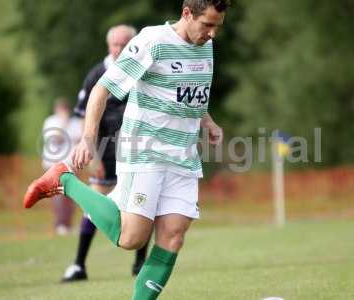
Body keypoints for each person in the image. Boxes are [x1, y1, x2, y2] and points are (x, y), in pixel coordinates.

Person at [24, 1, 229, 299]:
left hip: (183, 156)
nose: (212, 34)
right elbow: (102, 88)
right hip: (145, 150)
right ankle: (64, 180)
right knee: (131, 238)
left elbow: (191, 94)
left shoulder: (205, 46)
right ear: (187, 14)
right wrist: (88, 139)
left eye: (217, 26)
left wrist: (208, 121)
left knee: (173, 237)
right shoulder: (153, 41)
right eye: (207, 25)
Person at [61, 24, 150, 282]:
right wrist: (92, 153)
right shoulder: (97, 74)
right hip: (104, 152)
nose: (121, 49)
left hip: (137, 150)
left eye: (126, 44)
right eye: (116, 44)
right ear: (108, 45)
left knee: (143, 204)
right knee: (95, 207)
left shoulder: (143, 70)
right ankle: (79, 265)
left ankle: (140, 264)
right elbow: (81, 117)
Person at [42, 98, 82, 235]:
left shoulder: (75, 123)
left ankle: (68, 224)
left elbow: (80, 140)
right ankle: (60, 224)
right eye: (62, 109)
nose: (64, 112)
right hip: (54, 165)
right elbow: (56, 139)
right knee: (58, 195)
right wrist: (63, 124)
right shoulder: (50, 122)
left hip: (70, 165)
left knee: (71, 196)